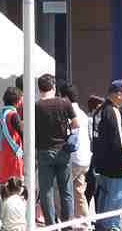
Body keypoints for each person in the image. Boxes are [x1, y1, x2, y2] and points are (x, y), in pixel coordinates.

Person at [32, 73, 76, 227]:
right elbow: (76, 123)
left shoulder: (36, 106)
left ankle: (51, 224)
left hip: (44, 151)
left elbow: (29, 128)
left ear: (39, 89)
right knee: (66, 189)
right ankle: (67, 224)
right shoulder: (65, 103)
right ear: (54, 86)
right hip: (63, 150)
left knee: (46, 191)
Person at [89, 80, 122, 231]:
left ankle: (103, 227)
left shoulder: (99, 110)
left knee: (104, 200)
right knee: (116, 202)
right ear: (118, 94)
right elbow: (118, 140)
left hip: (102, 164)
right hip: (117, 167)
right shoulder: (113, 111)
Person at [64, 82, 95, 223]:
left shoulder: (68, 112)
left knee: (59, 190)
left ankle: (64, 220)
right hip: (85, 159)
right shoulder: (82, 113)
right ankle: (84, 221)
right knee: (78, 191)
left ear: (64, 97)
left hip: (74, 159)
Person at [0, 87, 26, 184]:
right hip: (14, 151)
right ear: (17, 100)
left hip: (4, 151)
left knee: (5, 182)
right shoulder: (13, 115)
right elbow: (21, 132)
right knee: (16, 182)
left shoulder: (1, 113)